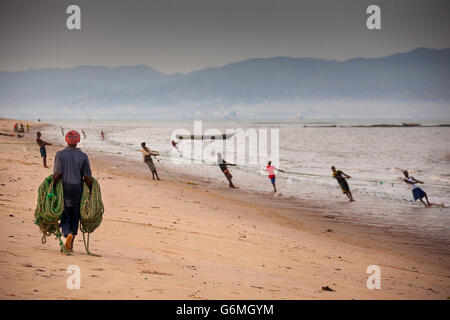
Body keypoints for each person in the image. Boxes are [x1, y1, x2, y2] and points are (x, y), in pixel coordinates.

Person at [52, 130, 92, 252]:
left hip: (64, 189)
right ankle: (71, 245)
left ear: (66, 140)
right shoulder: (83, 156)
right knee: (75, 216)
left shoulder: (60, 154)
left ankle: (67, 234)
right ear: (78, 140)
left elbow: (58, 173)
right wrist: (90, 191)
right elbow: (87, 178)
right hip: (77, 190)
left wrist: (52, 186)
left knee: (65, 215)